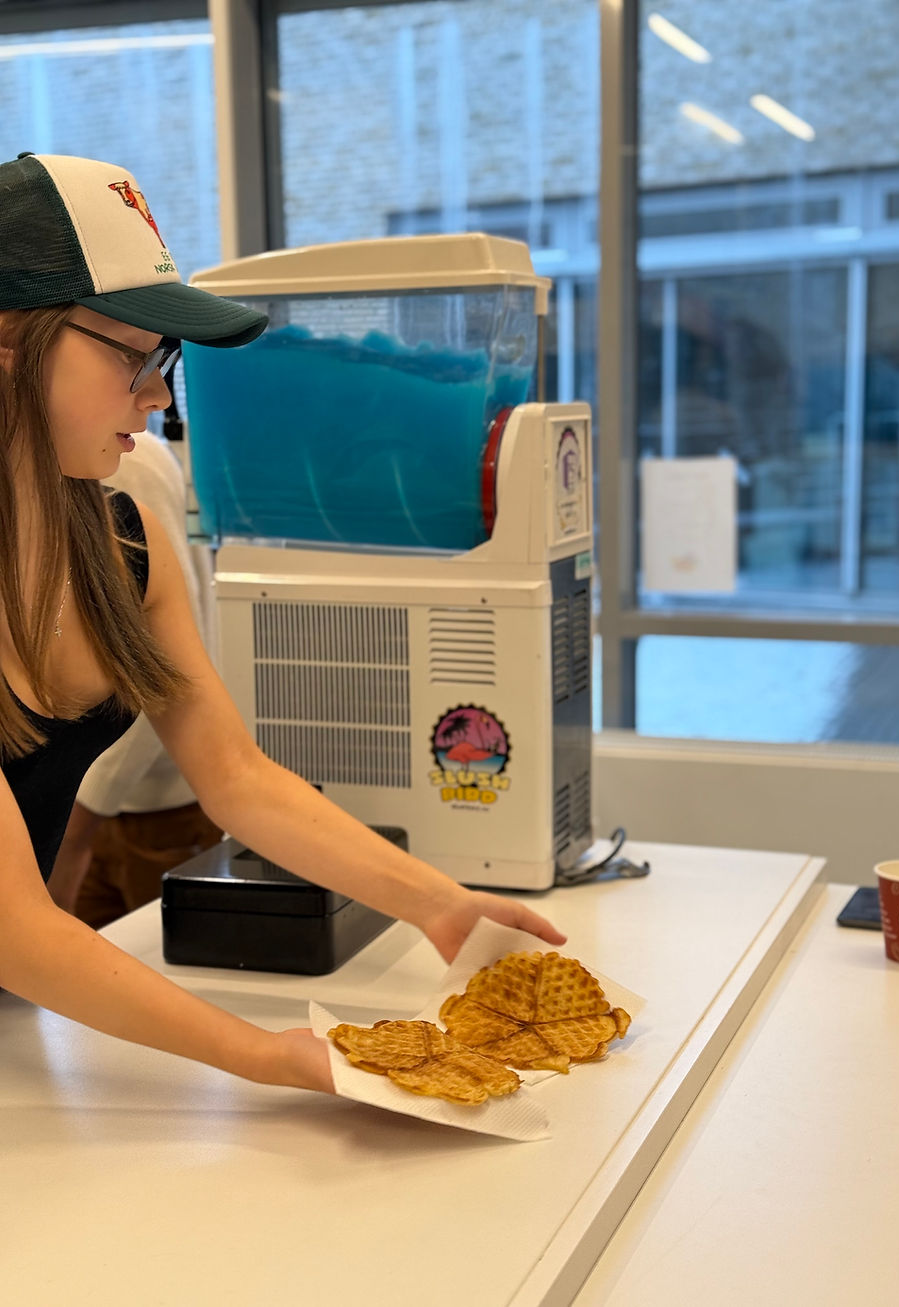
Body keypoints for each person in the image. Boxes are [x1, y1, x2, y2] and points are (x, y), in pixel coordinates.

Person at [0, 151, 564, 1096]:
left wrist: (442, 904)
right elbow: (17, 929)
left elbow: (236, 777)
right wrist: (266, 1054)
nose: (159, 396)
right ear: (11, 343)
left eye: (165, 361)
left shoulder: (123, 544)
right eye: (134, 354)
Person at [46, 430, 223, 928]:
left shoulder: (121, 456)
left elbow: (161, 676)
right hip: (78, 801)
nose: (158, 398)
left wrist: (80, 822)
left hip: (142, 804)